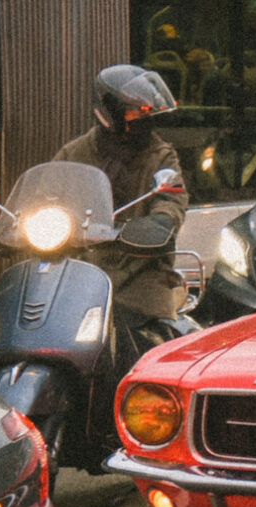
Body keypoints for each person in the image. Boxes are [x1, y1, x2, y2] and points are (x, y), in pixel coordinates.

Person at [53, 63, 189, 322]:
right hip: (79, 270)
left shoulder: (161, 155)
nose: (143, 118)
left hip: (140, 273)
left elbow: (173, 197)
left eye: (147, 111)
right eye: (135, 111)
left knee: (153, 333)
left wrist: (161, 220)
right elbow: (47, 194)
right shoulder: (74, 154)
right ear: (110, 111)